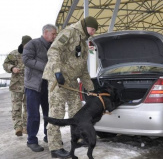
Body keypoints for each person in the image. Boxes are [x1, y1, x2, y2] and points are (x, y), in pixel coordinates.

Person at [42, 16, 98, 158]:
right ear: (86, 26)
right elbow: (53, 51)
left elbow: (83, 70)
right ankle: (55, 148)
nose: (93, 33)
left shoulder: (84, 44)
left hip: (71, 81)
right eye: (92, 29)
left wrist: (91, 89)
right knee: (57, 113)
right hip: (58, 80)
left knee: (77, 112)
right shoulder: (69, 32)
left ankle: (78, 138)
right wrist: (57, 72)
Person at [22, 24, 57, 152]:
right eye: (53, 34)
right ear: (46, 32)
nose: (55, 36)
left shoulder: (53, 46)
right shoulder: (33, 44)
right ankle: (31, 140)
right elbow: (26, 60)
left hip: (47, 85)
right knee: (34, 115)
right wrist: (46, 67)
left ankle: (49, 136)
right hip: (33, 86)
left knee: (49, 113)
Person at [3, 35, 32, 136]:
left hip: (29, 85)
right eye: (26, 45)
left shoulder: (32, 54)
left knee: (28, 107)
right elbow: (5, 64)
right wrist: (12, 68)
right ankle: (18, 127)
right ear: (23, 44)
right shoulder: (14, 53)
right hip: (16, 85)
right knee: (16, 107)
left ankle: (25, 127)